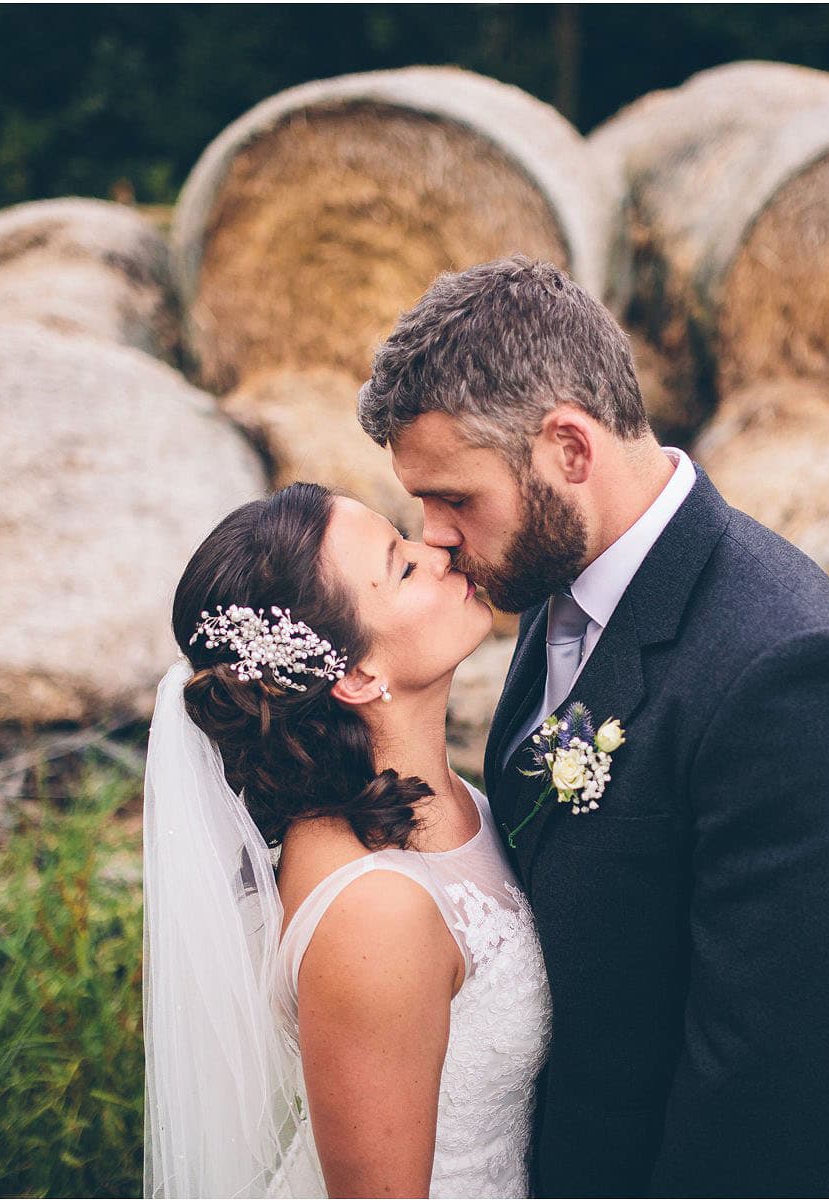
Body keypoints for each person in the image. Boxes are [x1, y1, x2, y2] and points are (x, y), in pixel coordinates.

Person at [355, 255, 829, 1197]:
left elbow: (765, 1092)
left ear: (569, 451)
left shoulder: (798, 680)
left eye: (455, 497)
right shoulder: (554, 574)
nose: (435, 534)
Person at [141, 482, 551, 1198]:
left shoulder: (447, 796)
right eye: (401, 566)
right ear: (359, 675)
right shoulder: (374, 913)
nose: (440, 550)